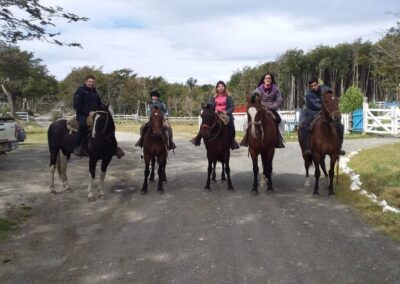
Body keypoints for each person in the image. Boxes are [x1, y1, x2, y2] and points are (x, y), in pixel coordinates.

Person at [73, 75, 125, 158]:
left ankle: (113, 147)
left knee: (108, 125)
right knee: (82, 125)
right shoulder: (80, 91)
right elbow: (77, 105)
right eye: (90, 82)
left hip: (95, 114)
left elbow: (99, 103)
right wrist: (88, 112)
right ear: (86, 82)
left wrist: (105, 108)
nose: (91, 83)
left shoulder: (95, 92)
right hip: (83, 115)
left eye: (93, 82)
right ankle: (78, 147)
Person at [299, 78, 346, 156]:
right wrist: (325, 108)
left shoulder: (325, 89)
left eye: (315, 85)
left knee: (339, 125)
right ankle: (307, 147)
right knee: (304, 126)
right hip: (312, 111)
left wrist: (331, 98)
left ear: (318, 84)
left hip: (325, 111)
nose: (314, 87)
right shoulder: (308, 94)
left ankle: (339, 146)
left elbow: (331, 96)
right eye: (311, 86)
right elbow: (315, 105)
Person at [190, 80, 239, 150]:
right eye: (219, 86)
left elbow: (232, 106)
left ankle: (232, 141)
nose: (221, 88)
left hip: (224, 114)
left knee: (230, 124)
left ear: (225, 87)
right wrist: (210, 109)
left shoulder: (228, 96)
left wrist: (226, 112)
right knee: (205, 122)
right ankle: (198, 138)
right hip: (215, 113)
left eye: (222, 86)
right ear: (217, 88)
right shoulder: (213, 97)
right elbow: (209, 105)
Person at [240, 73, 284, 148]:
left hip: (272, 109)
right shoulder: (258, 90)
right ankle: (246, 138)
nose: (268, 79)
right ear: (263, 80)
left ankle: (279, 139)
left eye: (269, 78)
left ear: (271, 80)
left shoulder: (276, 89)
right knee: (245, 120)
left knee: (281, 120)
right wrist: (260, 106)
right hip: (260, 109)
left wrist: (272, 107)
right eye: (266, 78)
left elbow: (279, 100)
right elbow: (254, 101)